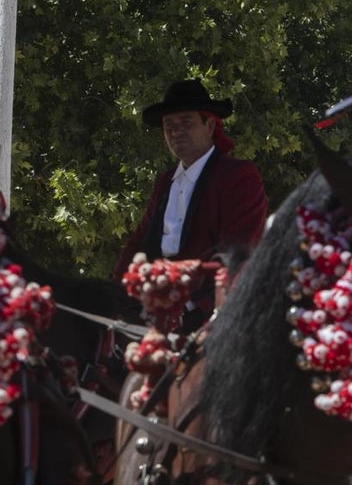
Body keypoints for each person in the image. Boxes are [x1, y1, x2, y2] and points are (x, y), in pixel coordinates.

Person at [113, 79, 268, 326]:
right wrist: (117, 292)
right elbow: (139, 242)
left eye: (186, 122)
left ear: (209, 125)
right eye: (169, 125)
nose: (176, 131)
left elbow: (237, 252)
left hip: (208, 314)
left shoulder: (238, 176)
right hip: (154, 308)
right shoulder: (164, 182)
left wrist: (190, 304)